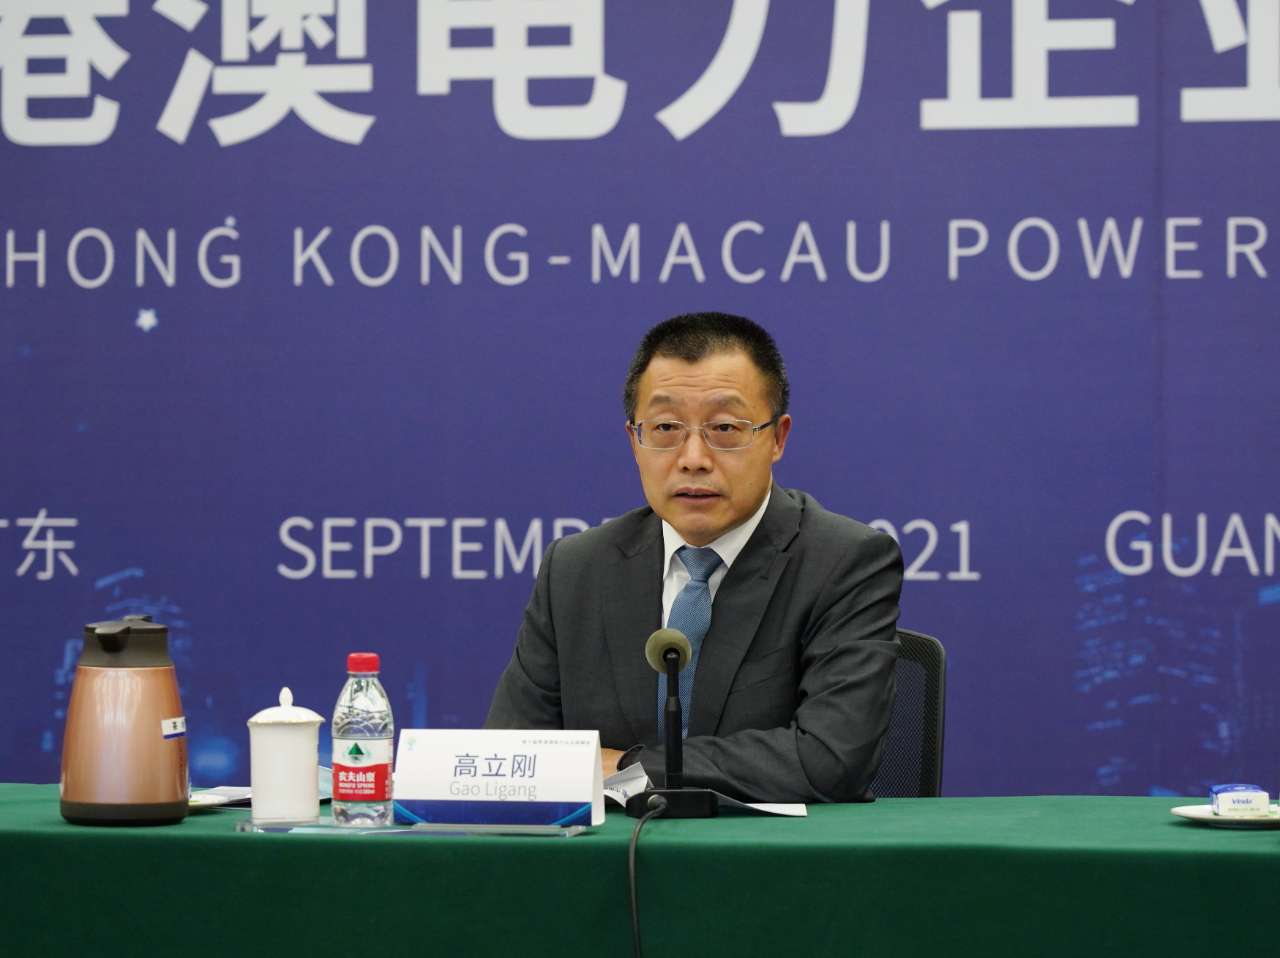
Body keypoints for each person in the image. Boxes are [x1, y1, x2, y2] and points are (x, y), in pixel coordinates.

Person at [485, 312, 903, 803]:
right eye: (665, 427)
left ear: (777, 438)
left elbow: (830, 760)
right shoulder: (575, 569)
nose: (693, 458)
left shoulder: (844, 562)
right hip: (608, 850)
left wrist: (629, 767)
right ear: (634, 441)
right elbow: (512, 756)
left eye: (725, 427)